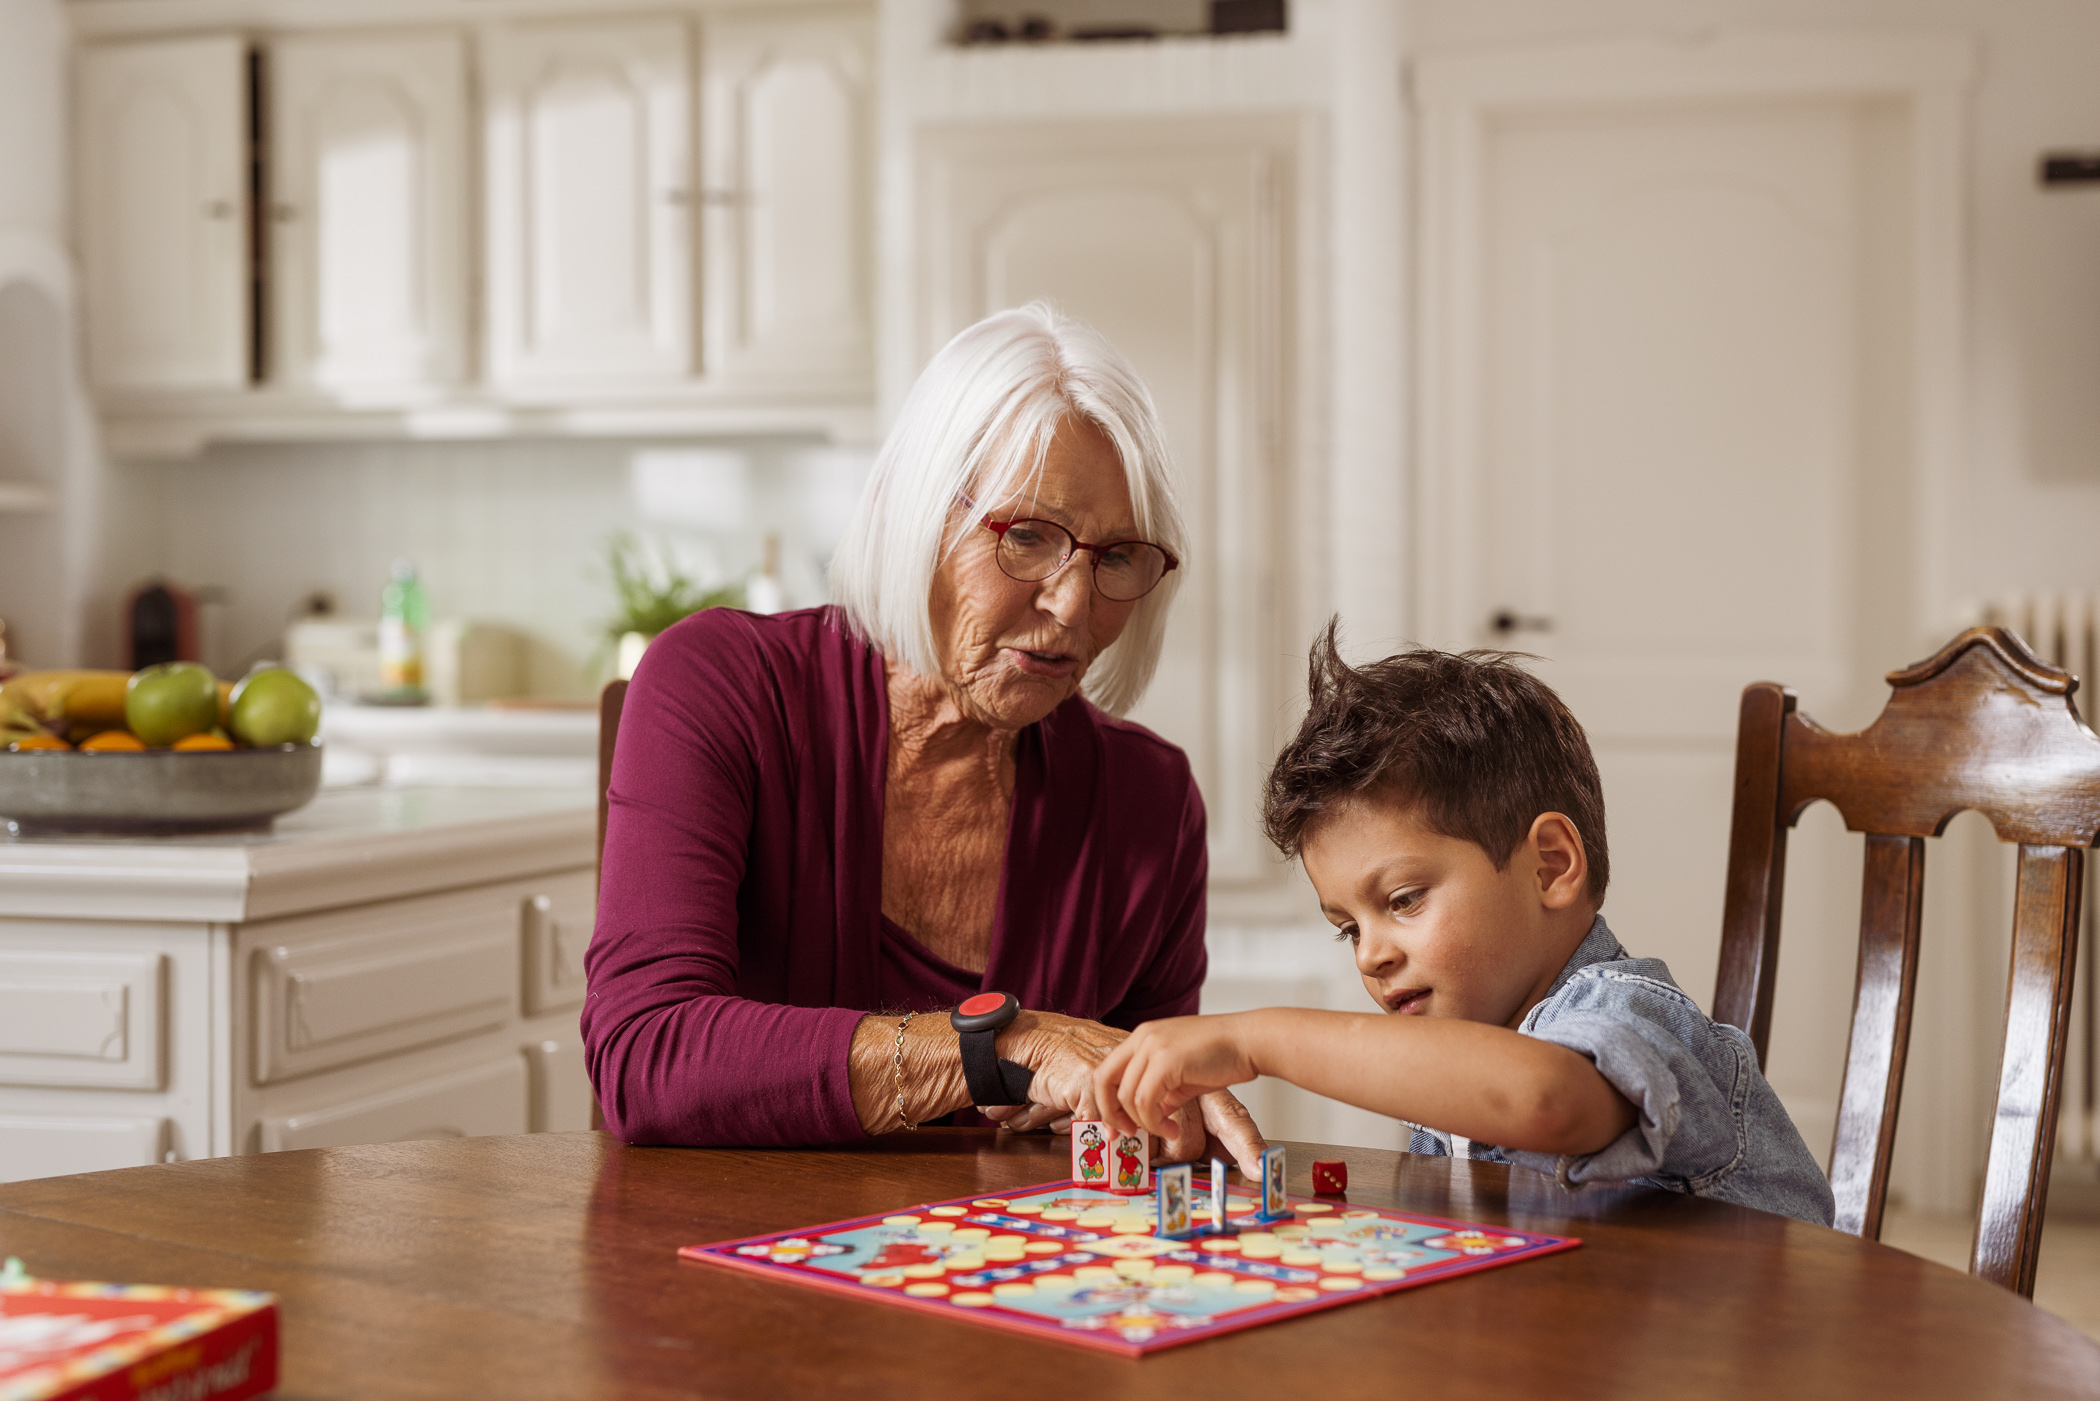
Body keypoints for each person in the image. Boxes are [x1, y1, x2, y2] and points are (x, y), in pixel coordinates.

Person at [583, 302, 1267, 1176]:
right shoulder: (718, 683)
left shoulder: (1150, 802)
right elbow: (645, 1056)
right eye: (1027, 536)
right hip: (725, 1283)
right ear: (919, 510)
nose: (1073, 606)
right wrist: (1002, 1045)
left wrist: (1156, 1115)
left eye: (1117, 558)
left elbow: (1130, 1135)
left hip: (1003, 1289)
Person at [1090, 627, 1835, 1224]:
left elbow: (1542, 1100)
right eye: (1347, 927)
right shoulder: (1464, 1051)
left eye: (1405, 899)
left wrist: (1255, 1039)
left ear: (1550, 865)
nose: (1373, 955)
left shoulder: (1625, 1010)